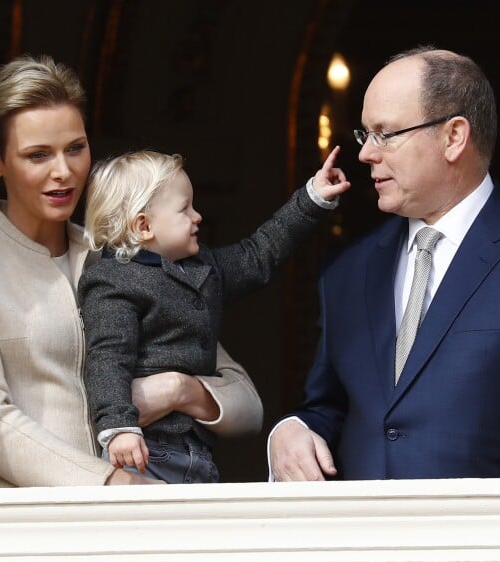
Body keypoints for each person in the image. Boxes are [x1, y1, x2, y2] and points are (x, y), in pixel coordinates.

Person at [0, 54, 264, 488]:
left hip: (136, 528)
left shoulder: (124, 257)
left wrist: (178, 389)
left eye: (75, 148)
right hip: (27, 534)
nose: (63, 171)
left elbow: (246, 403)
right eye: (37, 155)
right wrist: (109, 483)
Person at [269, 45, 500, 481]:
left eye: (386, 133)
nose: (365, 154)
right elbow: (333, 409)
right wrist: (291, 431)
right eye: (366, 135)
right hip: (361, 542)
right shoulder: (348, 271)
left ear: (454, 136)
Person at [78, 147, 350, 483]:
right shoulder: (112, 282)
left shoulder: (203, 268)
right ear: (143, 226)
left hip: (198, 452)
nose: (197, 217)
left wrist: (311, 200)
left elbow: (258, 254)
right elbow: (107, 357)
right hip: (145, 451)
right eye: (184, 209)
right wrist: (118, 427)